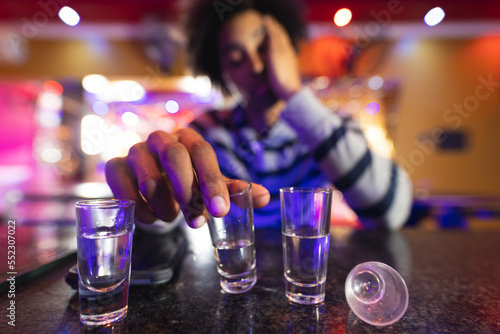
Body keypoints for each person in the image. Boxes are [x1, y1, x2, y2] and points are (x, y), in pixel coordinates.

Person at [105, 0, 413, 232]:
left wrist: (294, 92)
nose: (255, 66)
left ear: (290, 49)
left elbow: (390, 212)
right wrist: (149, 194)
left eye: (265, 47)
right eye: (236, 58)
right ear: (224, 73)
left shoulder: (327, 128)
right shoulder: (207, 131)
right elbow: (170, 218)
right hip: (235, 281)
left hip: (306, 273)